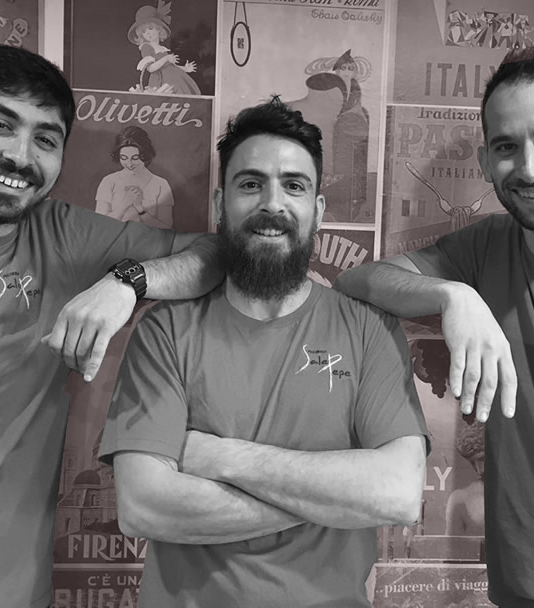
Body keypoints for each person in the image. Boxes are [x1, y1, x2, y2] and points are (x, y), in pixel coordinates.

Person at [99, 97, 428, 608]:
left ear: (318, 210)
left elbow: (398, 494)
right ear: (221, 203)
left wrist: (218, 456)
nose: (273, 204)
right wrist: (331, 499)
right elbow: (144, 506)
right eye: (251, 184)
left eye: (294, 186)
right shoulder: (164, 330)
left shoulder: (369, 330)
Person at [0, 45, 220, 608]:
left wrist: (127, 283)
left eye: (44, 139)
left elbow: (217, 255)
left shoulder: (63, 236)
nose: (19, 156)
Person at [336, 41, 534, 606]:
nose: (529, 168)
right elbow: (360, 279)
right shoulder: (485, 248)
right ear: (484, 163)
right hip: (522, 593)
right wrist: (451, 294)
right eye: (507, 146)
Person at [95, 125, 174, 228]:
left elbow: (166, 227)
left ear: (145, 155)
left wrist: (140, 209)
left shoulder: (161, 184)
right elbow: (100, 225)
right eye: (124, 158)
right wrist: (124, 204)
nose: (129, 164)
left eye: (135, 158)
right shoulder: (108, 181)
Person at [128, 2, 200, 96]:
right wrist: (166, 58)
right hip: (161, 82)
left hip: (176, 79)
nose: (148, 33)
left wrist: (185, 69)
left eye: (151, 28)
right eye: (144, 31)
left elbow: (170, 66)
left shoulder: (162, 48)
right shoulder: (146, 47)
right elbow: (151, 68)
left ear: (159, 29)